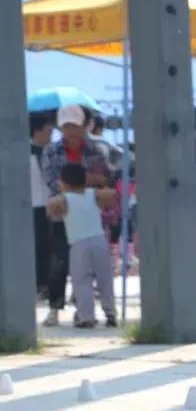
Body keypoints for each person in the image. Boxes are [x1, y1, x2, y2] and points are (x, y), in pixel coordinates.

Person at [42, 104, 115, 327]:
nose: (71, 132)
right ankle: (57, 307)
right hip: (64, 212)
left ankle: (93, 312)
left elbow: (107, 177)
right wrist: (86, 182)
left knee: (93, 274)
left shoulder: (97, 148)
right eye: (66, 127)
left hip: (91, 219)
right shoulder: (52, 150)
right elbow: (52, 180)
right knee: (60, 262)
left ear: (83, 126)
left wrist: (79, 185)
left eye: (74, 126)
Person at [45, 164, 117, 327]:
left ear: (63, 182)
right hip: (99, 240)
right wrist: (94, 184)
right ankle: (111, 313)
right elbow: (112, 194)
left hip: (78, 244)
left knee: (81, 281)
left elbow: (51, 210)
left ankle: (86, 317)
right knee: (105, 279)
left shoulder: (63, 199)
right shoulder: (93, 194)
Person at [30, 114, 54, 296]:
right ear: (37, 131)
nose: (51, 133)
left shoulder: (52, 152)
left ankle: (46, 285)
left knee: (50, 246)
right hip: (32, 206)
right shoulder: (23, 152)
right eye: (48, 130)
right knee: (36, 246)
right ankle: (37, 284)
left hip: (51, 206)